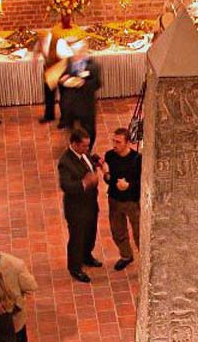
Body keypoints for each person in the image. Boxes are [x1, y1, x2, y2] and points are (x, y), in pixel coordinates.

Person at [59, 128, 103, 283]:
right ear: (75, 144)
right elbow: (66, 186)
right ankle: (75, 267)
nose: (87, 149)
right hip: (76, 208)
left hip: (90, 203)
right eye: (84, 146)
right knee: (77, 238)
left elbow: (89, 160)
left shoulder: (84, 154)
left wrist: (97, 161)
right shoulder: (65, 162)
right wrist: (85, 183)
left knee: (90, 233)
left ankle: (86, 255)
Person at [100, 127, 142, 271]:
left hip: (132, 201)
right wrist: (106, 174)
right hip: (115, 200)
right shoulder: (110, 156)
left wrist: (128, 185)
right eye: (113, 141)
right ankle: (126, 255)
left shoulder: (137, 159)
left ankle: (145, 258)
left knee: (139, 232)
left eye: (118, 142)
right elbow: (109, 179)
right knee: (117, 231)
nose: (114, 145)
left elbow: (142, 182)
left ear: (127, 142)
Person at [60, 39, 102, 150]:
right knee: (71, 130)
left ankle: (88, 149)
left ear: (83, 52)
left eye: (77, 54)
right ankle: (74, 147)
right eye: (74, 54)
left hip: (86, 105)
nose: (74, 56)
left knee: (89, 130)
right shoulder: (68, 62)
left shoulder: (93, 66)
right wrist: (63, 79)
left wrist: (83, 83)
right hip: (70, 104)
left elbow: (97, 84)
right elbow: (62, 77)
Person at [34, 29, 72, 123]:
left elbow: (69, 57)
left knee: (64, 95)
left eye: (42, 41)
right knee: (48, 94)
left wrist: (67, 74)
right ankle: (49, 116)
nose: (41, 42)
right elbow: (37, 51)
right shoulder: (41, 41)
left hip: (61, 68)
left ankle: (65, 119)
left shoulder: (59, 43)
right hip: (50, 70)